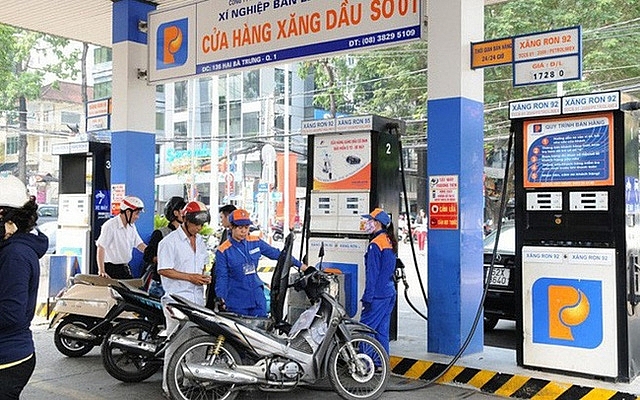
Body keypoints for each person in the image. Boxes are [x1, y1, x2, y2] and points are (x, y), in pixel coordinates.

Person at [0, 176, 49, 399]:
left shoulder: (15, 255)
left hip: (8, 359)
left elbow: (11, 314)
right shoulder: (10, 248)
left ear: (5, 216)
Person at [157, 200, 212, 396]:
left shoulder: (202, 242)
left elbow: (202, 266)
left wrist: (203, 277)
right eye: (196, 224)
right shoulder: (169, 242)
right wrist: (190, 277)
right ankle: (168, 386)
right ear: (186, 220)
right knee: (176, 343)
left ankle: (191, 381)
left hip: (197, 300)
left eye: (201, 225)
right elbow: (163, 269)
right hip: (177, 301)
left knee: (198, 341)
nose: (199, 228)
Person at [215, 208, 305, 317]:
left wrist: (302, 266)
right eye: (240, 228)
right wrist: (221, 298)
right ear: (232, 227)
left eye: (246, 227)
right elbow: (222, 277)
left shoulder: (255, 241)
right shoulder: (223, 251)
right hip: (236, 301)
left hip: (257, 298)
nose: (244, 231)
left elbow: (279, 255)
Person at [360, 207, 398, 355]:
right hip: (389, 293)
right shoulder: (388, 240)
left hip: (377, 295)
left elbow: (373, 275)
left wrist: (367, 297)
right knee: (382, 331)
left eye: (369, 220)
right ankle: (381, 363)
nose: (366, 222)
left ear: (377, 223)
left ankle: (365, 364)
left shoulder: (375, 244)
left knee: (365, 330)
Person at [142, 196, 186, 298]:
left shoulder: (188, 236)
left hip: (180, 285)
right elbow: (148, 255)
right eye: (183, 210)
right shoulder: (161, 233)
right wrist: (163, 260)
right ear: (175, 213)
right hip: (160, 285)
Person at [95, 195, 147, 279]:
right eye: (136, 214)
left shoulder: (131, 226)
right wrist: (101, 271)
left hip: (125, 268)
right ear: (128, 212)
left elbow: (139, 244)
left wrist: (152, 254)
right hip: (111, 270)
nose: (137, 217)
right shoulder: (110, 226)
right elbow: (101, 247)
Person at [205, 204, 236, 309]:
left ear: (229, 217)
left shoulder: (236, 236)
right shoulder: (225, 232)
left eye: (222, 217)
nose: (221, 221)